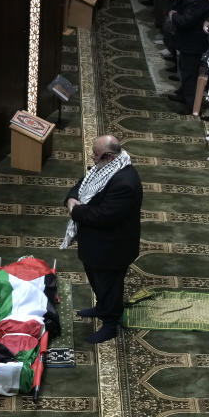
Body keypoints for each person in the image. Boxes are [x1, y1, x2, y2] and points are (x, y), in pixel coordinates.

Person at [62, 135, 142, 343]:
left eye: (95, 155)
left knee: (110, 286)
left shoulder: (125, 182)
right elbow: (83, 183)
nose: (92, 158)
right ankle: (101, 307)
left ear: (107, 155)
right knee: (98, 281)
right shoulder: (107, 168)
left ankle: (110, 324)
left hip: (112, 248)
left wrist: (75, 211)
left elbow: (104, 216)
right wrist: (71, 198)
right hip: (96, 244)